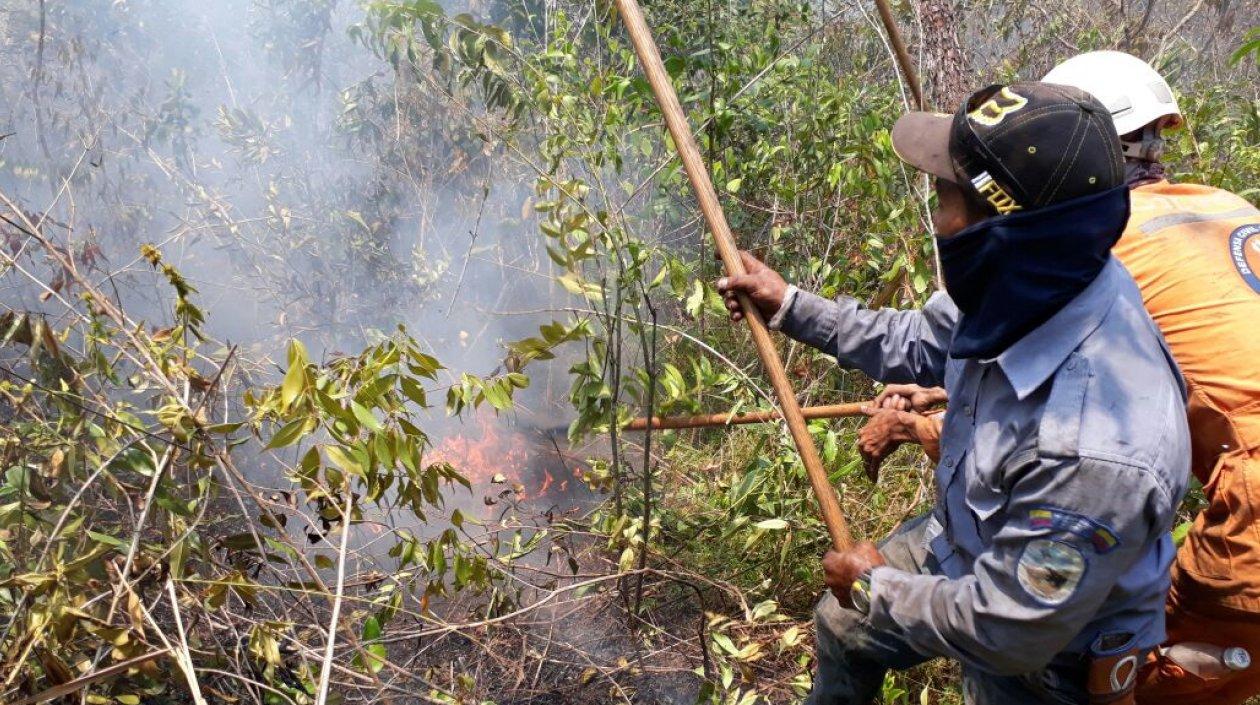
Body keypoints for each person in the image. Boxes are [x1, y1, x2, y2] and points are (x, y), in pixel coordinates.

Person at [718, 81, 1190, 704]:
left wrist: (873, 588)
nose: (934, 218)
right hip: (964, 545)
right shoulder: (1038, 278)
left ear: (997, 228)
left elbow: (1008, 627)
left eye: (943, 195)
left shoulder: (1094, 453)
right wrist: (793, 308)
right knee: (843, 624)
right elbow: (922, 342)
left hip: (1049, 647)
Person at [864, 51, 1260, 705]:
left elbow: (1035, 448)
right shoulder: (1222, 206)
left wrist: (918, 424)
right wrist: (941, 395)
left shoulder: (1092, 248)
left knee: (1109, 680)